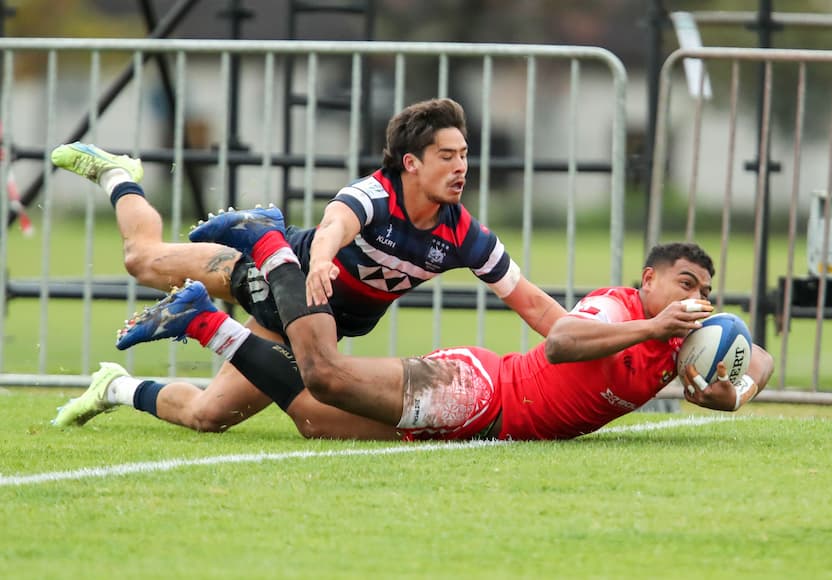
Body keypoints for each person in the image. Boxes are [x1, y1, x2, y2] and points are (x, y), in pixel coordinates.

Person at [50, 97, 566, 437]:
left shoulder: (466, 237)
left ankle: (114, 387)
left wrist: (587, 343)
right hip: (279, 275)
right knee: (141, 258)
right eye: (447, 157)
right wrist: (319, 261)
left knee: (209, 415)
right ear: (411, 163)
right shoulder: (376, 195)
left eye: (465, 156)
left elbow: (535, 305)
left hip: (307, 321)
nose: (461, 169)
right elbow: (335, 223)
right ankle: (119, 174)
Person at [108, 208, 775, 441]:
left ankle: (143, 365)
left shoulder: (683, 339)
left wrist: (730, 393)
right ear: (649, 282)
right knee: (327, 379)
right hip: (480, 391)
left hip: (485, 419)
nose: (698, 298)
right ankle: (268, 247)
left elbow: (761, 361)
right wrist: (652, 325)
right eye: (686, 284)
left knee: (313, 417)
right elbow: (566, 339)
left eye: (706, 291)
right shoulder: (623, 311)